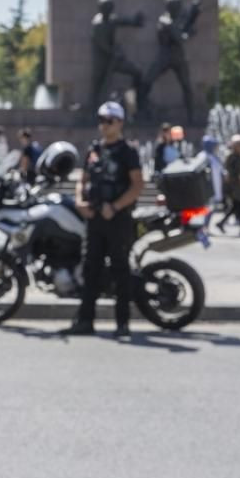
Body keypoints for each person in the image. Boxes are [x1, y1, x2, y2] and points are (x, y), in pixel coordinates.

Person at [64, 101, 144, 337]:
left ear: (120, 123)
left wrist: (116, 206)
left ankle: (122, 323)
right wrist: (80, 200)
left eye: (109, 121)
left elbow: (138, 185)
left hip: (118, 219)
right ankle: (85, 321)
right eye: (101, 120)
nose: (104, 125)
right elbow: (83, 179)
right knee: (91, 269)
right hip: (94, 217)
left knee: (120, 270)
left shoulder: (127, 151)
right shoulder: (94, 150)